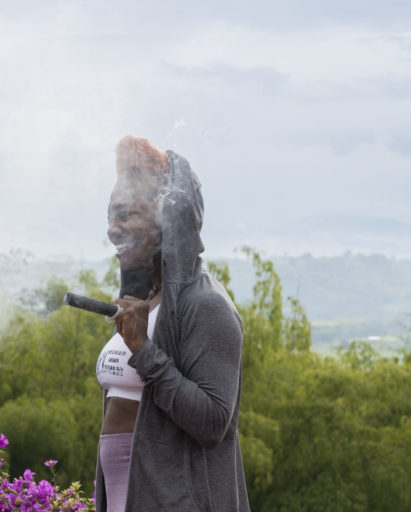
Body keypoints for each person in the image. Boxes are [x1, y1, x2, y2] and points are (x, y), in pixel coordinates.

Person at [94, 135, 249, 511]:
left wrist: (142, 348)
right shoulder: (146, 303)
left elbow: (212, 423)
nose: (112, 229)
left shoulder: (206, 305)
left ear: (167, 221)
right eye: (110, 216)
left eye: (125, 215)